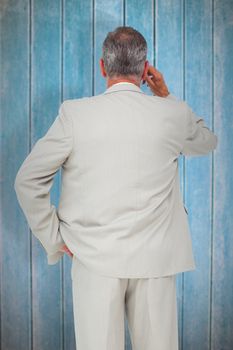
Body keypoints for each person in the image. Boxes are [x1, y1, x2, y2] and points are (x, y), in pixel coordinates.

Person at [14, 26, 218, 350]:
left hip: (94, 261)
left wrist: (54, 238)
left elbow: (27, 180)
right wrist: (165, 94)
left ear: (102, 66)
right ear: (145, 68)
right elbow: (207, 141)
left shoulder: (74, 115)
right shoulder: (172, 113)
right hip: (156, 260)